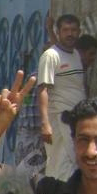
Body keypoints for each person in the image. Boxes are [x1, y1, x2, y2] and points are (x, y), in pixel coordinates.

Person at [37, 13, 85, 180]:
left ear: (79, 31)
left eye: (73, 30)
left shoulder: (75, 54)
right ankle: (54, 193)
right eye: (65, 30)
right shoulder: (50, 56)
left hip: (76, 118)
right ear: (59, 32)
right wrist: (45, 124)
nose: (70, 34)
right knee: (60, 162)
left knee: (73, 162)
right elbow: (42, 89)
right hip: (59, 117)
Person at [76, 33, 97, 99]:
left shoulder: (89, 72)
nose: (94, 57)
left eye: (95, 54)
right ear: (80, 53)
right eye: (91, 54)